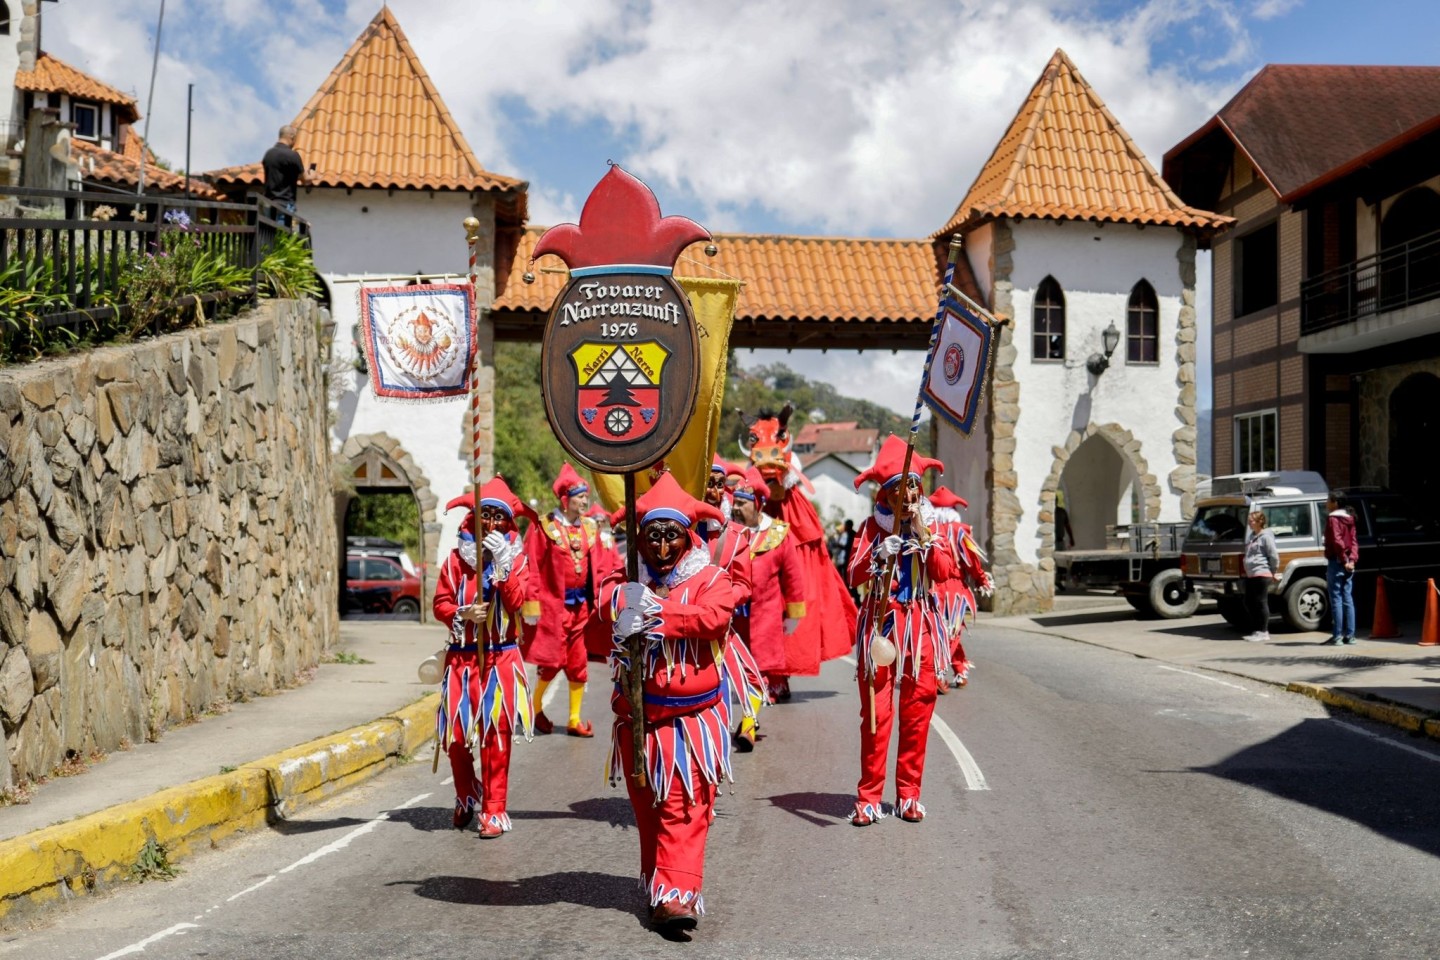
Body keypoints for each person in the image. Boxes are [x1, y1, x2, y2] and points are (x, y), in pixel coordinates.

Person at [596, 473, 737, 933]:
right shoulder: (625, 579)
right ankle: (661, 883)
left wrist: (659, 613)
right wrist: (619, 604)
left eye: (671, 535)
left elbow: (714, 619)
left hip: (691, 721)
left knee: (684, 804)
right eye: (652, 535)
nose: (660, 547)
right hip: (636, 717)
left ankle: (677, 895)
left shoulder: (711, 577)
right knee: (649, 808)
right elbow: (594, 625)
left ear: (688, 535)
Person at [848, 435, 959, 825]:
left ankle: (909, 794)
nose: (909, 494)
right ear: (886, 494)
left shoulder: (930, 526)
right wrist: (879, 554)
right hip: (880, 625)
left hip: (921, 625)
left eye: (913, 485)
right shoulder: (870, 528)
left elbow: (944, 573)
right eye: (900, 488)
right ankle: (869, 797)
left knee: (918, 712)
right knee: (876, 714)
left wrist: (924, 536)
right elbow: (853, 573)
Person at [431, 479, 534, 836]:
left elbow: (520, 603)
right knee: (456, 737)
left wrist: (503, 569)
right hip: (462, 660)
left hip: (500, 659)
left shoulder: (517, 560)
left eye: (497, 518)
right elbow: (440, 603)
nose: (490, 524)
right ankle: (466, 792)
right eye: (484, 516)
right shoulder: (456, 561)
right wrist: (461, 613)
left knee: (496, 735)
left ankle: (494, 809)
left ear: (508, 524)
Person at [522, 463, 614, 737]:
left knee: (577, 662)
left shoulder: (588, 528)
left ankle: (574, 719)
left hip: (582, 609)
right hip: (554, 608)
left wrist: (602, 599)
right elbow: (533, 566)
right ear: (565, 499)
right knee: (551, 662)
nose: (585, 500)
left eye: (586, 495)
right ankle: (534, 706)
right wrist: (531, 604)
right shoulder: (544, 526)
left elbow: (598, 567)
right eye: (580, 496)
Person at [732, 468, 806, 737]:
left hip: (767, 616)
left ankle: (748, 725)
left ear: (758, 505)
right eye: (735, 502)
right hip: (734, 617)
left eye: (742, 503)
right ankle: (749, 717)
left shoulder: (778, 534)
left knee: (759, 670)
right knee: (737, 671)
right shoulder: (730, 533)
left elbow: (793, 576)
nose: (736, 508)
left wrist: (794, 614)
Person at [925, 485, 992, 693]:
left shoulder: (926, 530)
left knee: (943, 631)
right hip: (954, 588)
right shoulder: (958, 530)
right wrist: (982, 580)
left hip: (931, 587)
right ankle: (938, 671)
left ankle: (960, 669)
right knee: (952, 632)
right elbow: (972, 561)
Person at [1324, 491, 1360, 645]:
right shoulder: (1350, 518)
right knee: (1348, 598)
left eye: (1328, 500)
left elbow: (1337, 540)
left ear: (1335, 502)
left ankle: (1337, 636)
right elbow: (1353, 541)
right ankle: (1350, 636)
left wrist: (1344, 559)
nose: (1326, 503)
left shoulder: (1333, 519)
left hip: (1337, 561)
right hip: (1348, 563)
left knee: (1336, 598)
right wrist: (1352, 559)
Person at [1241, 510, 1280, 643]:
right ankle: (1257, 630)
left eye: (1251, 521)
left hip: (1262, 573)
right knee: (1249, 602)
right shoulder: (1252, 536)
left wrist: (1273, 571)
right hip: (1251, 574)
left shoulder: (1266, 537)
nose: (1249, 523)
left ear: (1260, 522)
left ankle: (1263, 631)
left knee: (1260, 602)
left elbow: (1273, 555)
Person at [261, 125, 305, 224]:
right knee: (282, 236)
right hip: (285, 205)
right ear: (292, 137)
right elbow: (305, 179)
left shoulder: (268, 154)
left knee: (268, 235)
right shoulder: (293, 155)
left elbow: (279, 174)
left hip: (268, 204)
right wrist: (313, 175)